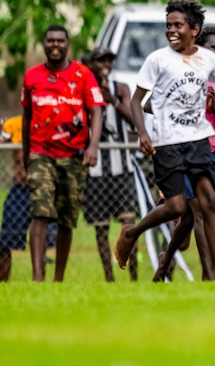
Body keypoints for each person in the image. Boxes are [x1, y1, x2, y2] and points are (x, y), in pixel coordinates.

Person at [113, 0, 215, 281]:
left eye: (178, 25)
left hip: (199, 140)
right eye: (168, 25)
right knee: (176, 207)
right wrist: (143, 134)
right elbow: (137, 102)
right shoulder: (157, 60)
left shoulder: (208, 59)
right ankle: (131, 233)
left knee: (208, 202)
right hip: (167, 143)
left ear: (194, 29)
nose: (171, 30)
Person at [151, 26, 215, 282]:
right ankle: (210, 276)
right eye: (213, 47)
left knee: (191, 221)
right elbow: (151, 105)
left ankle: (164, 269)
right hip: (183, 152)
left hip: (212, 154)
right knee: (197, 215)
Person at [22, 25, 104, 282]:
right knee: (40, 212)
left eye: (60, 41)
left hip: (73, 156)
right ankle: (38, 278)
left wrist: (92, 146)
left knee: (67, 219)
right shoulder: (31, 76)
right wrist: (27, 156)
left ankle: (58, 278)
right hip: (40, 153)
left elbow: (97, 111)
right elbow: (26, 118)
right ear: (44, 44)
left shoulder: (83, 74)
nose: (55, 45)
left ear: (67, 45)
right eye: (50, 41)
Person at [82, 47, 139, 282]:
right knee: (100, 227)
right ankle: (109, 278)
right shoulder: (84, 89)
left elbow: (135, 120)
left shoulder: (121, 88)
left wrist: (113, 100)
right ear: (91, 64)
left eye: (109, 59)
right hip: (95, 171)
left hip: (121, 168)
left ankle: (134, 277)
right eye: (101, 59)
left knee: (129, 224)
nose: (106, 63)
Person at [0, 115, 27, 281]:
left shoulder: (52, 122)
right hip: (20, 189)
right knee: (4, 241)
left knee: (47, 241)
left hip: (48, 187)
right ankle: (3, 282)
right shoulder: (14, 125)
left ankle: (44, 281)